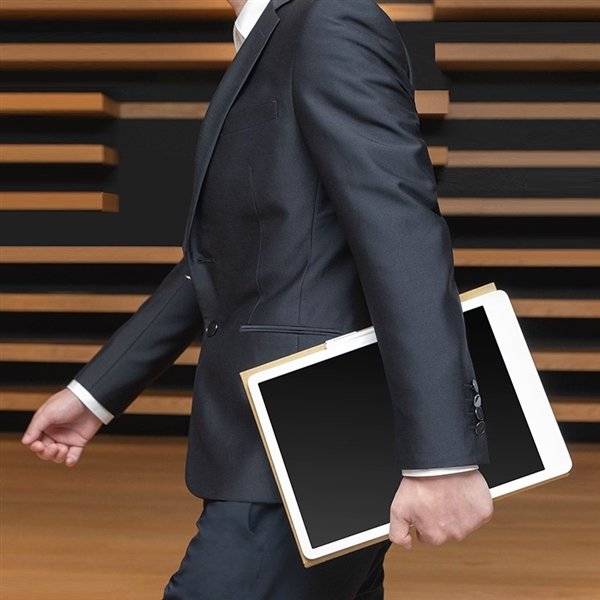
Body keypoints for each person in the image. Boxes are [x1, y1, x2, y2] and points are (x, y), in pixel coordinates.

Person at [22, 0, 494, 597]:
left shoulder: (331, 22)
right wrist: (96, 393)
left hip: (309, 442)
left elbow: (400, 234)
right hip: (281, 447)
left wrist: (442, 458)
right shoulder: (277, 35)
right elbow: (227, 259)